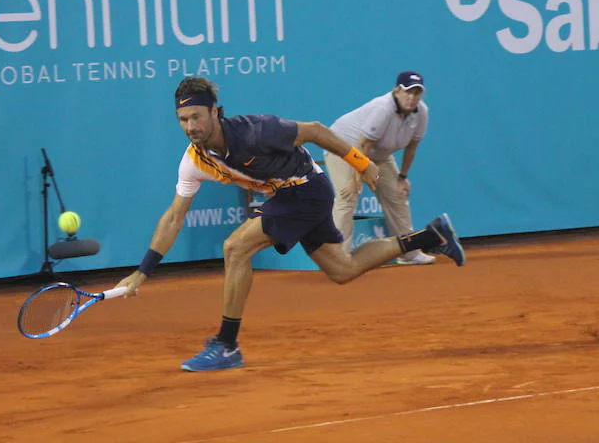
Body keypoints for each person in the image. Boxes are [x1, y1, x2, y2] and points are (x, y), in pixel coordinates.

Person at [115, 76, 465, 372]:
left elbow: (314, 130)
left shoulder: (256, 132)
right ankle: (429, 236)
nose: (190, 127)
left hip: (305, 190)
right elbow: (174, 216)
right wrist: (142, 271)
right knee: (343, 269)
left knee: (235, 248)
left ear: (214, 112)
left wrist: (361, 162)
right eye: (182, 120)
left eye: (196, 116)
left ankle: (226, 344)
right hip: (293, 197)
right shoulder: (194, 161)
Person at [324, 71, 435, 265]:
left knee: (397, 195)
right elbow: (363, 145)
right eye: (408, 92)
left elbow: (412, 146)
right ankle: (338, 259)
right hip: (343, 148)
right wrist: (356, 179)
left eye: (417, 93)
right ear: (397, 91)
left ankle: (409, 252)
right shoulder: (383, 109)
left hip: (378, 155)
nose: (412, 97)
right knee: (347, 195)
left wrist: (402, 177)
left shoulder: (422, 112)